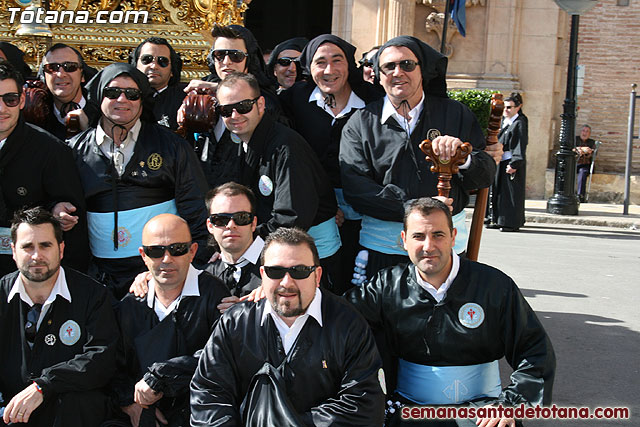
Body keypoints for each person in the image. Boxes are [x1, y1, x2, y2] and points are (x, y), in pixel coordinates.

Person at [346, 198, 556, 427]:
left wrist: (510, 404)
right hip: (408, 411)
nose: (428, 246)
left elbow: (535, 351)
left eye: (438, 235)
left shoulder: (494, 285)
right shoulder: (387, 286)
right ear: (404, 240)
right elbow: (338, 321)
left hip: (483, 412)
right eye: (418, 236)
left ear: (453, 237)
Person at [190, 227, 385, 426]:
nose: (286, 282)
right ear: (262, 274)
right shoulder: (235, 323)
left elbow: (364, 404)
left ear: (317, 276)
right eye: (275, 271)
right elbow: (208, 394)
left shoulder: (348, 324)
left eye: (299, 271)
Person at [339, 35, 498, 278]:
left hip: (443, 250)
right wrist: (418, 209)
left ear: (422, 70)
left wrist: (463, 158)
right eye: (389, 66)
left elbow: (485, 173)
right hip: (383, 247)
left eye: (407, 64)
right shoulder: (360, 123)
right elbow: (356, 188)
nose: (398, 72)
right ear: (379, 77)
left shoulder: (455, 114)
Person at [68, 63, 209, 299]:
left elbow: (195, 206)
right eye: (112, 93)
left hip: (161, 272)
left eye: (132, 94)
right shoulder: (74, 150)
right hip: (98, 276)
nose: (122, 99)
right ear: (98, 96)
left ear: (142, 100)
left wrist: (194, 264)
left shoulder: (172, 146)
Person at [215, 72, 343, 293]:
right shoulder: (238, 142)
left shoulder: (286, 147)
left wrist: (247, 244)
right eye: (226, 110)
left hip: (311, 253)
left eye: (243, 106)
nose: (235, 115)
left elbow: (293, 216)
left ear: (261, 104)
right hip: (270, 246)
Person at [279, 34, 384, 289]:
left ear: (349, 64)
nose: (329, 70)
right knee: (325, 278)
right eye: (320, 62)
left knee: (360, 277)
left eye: (337, 61)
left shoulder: (374, 100)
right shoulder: (296, 98)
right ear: (308, 68)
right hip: (314, 206)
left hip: (365, 205)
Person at [0, 207, 118, 426]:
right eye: (28, 247)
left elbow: (102, 359)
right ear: (13, 251)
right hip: (11, 411)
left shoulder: (93, 295)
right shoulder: (1, 294)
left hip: (71, 413)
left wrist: (44, 385)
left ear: (61, 249)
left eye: (46, 245)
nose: (37, 256)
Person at [110, 214, 229, 427]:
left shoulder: (215, 294)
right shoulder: (131, 304)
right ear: (143, 255)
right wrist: (130, 402)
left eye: (177, 250)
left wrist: (162, 376)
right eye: (156, 251)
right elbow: (113, 365)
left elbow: (219, 357)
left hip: (199, 410)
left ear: (192, 252)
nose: (166, 259)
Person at [0, 60, 89, 277]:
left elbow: (72, 219)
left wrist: (59, 211)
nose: (1, 108)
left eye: (9, 99)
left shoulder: (50, 150)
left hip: (31, 271)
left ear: (21, 100)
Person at [130, 182, 263, 313]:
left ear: (253, 223)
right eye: (220, 219)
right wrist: (152, 279)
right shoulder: (205, 270)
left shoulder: (278, 266)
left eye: (241, 218)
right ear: (210, 225)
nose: (231, 225)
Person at [34, 43, 99, 140]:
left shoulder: (102, 115)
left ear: (82, 76)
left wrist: (88, 131)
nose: (60, 74)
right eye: (52, 68)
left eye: (70, 66)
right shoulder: (35, 117)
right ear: (44, 77)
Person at [487, 92, 528, 232]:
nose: (506, 110)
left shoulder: (520, 122)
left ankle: (510, 222)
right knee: (499, 191)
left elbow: (520, 144)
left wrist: (515, 163)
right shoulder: (505, 122)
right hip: (501, 161)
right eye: (505, 107)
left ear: (518, 107)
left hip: (511, 162)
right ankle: (497, 219)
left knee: (510, 193)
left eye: (509, 107)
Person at [130, 37, 187, 131]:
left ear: (172, 70)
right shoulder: (121, 95)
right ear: (135, 64)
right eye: (147, 59)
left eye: (162, 61)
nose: (154, 66)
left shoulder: (186, 98)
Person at [575, 124, 596, 202]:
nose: (585, 133)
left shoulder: (592, 142)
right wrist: (581, 149)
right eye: (583, 130)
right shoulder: (575, 140)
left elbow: (591, 153)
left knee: (582, 173)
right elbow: (572, 150)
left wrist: (581, 150)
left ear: (589, 134)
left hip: (585, 165)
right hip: (574, 164)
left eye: (587, 131)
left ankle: (580, 196)